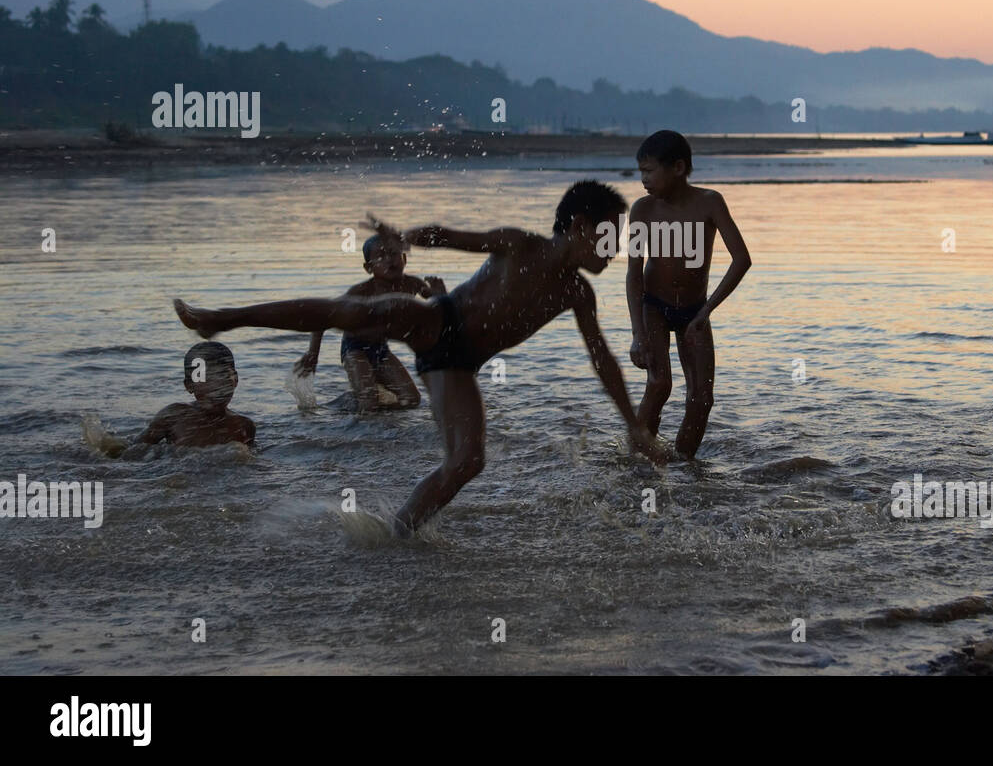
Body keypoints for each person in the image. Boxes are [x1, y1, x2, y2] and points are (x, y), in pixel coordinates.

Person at [173, 180, 663, 535]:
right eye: (608, 237)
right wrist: (403, 236)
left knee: (468, 462)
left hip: (458, 364)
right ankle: (224, 318)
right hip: (437, 321)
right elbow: (449, 235)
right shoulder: (520, 244)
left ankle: (397, 533)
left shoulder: (578, 293)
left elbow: (604, 361)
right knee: (347, 311)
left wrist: (632, 426)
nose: (614, 250)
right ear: (579, 226)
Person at [627, 131, 751, 459]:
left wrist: (707, 311)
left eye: (650, 171)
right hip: (653, 307)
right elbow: (633, 275)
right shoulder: (643, 210)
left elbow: (742, 259)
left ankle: (683, 466)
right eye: (641, 172)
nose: (643, 179)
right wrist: (638, 334)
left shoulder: (710, 202)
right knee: (659, 384)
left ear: (678, 168)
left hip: (695, 311)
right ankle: (637, 460)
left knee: (702, 398)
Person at [294, 234, 445, 412]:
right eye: (381, 256)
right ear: (369, 268)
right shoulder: (361, 291)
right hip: (354, 349)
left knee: (411, 400)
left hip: (381, 349)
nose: (390, 260)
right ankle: (356, 408)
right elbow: (323, 317)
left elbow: (439, 309)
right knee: (369, 401)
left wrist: (440, 294)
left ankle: (362, 410)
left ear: (404, 258)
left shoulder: (413, 284)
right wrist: (313, 354)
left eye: (394, 253)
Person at [132, 342, 256, 452]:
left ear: (236, 380)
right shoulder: (174, 415)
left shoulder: (244, 425)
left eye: (223, 378)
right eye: (206, 379)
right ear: (189, 385)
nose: (215, 388)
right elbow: (135, 450)